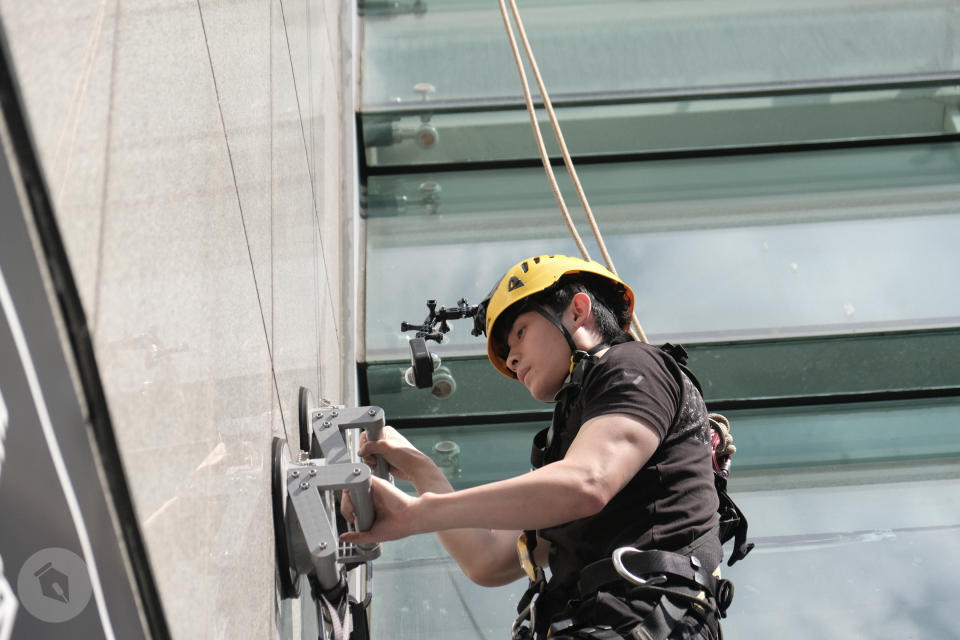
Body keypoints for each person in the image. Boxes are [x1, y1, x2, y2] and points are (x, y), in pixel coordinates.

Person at [341, 254, 733, 639]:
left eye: (520, 333)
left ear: (578, 311)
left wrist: (418, 513)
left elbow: (587, 483)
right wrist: (421, 472)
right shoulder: (568, 443)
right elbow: (488, 560)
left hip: (641, 621)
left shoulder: (633, 365)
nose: (511, 360)